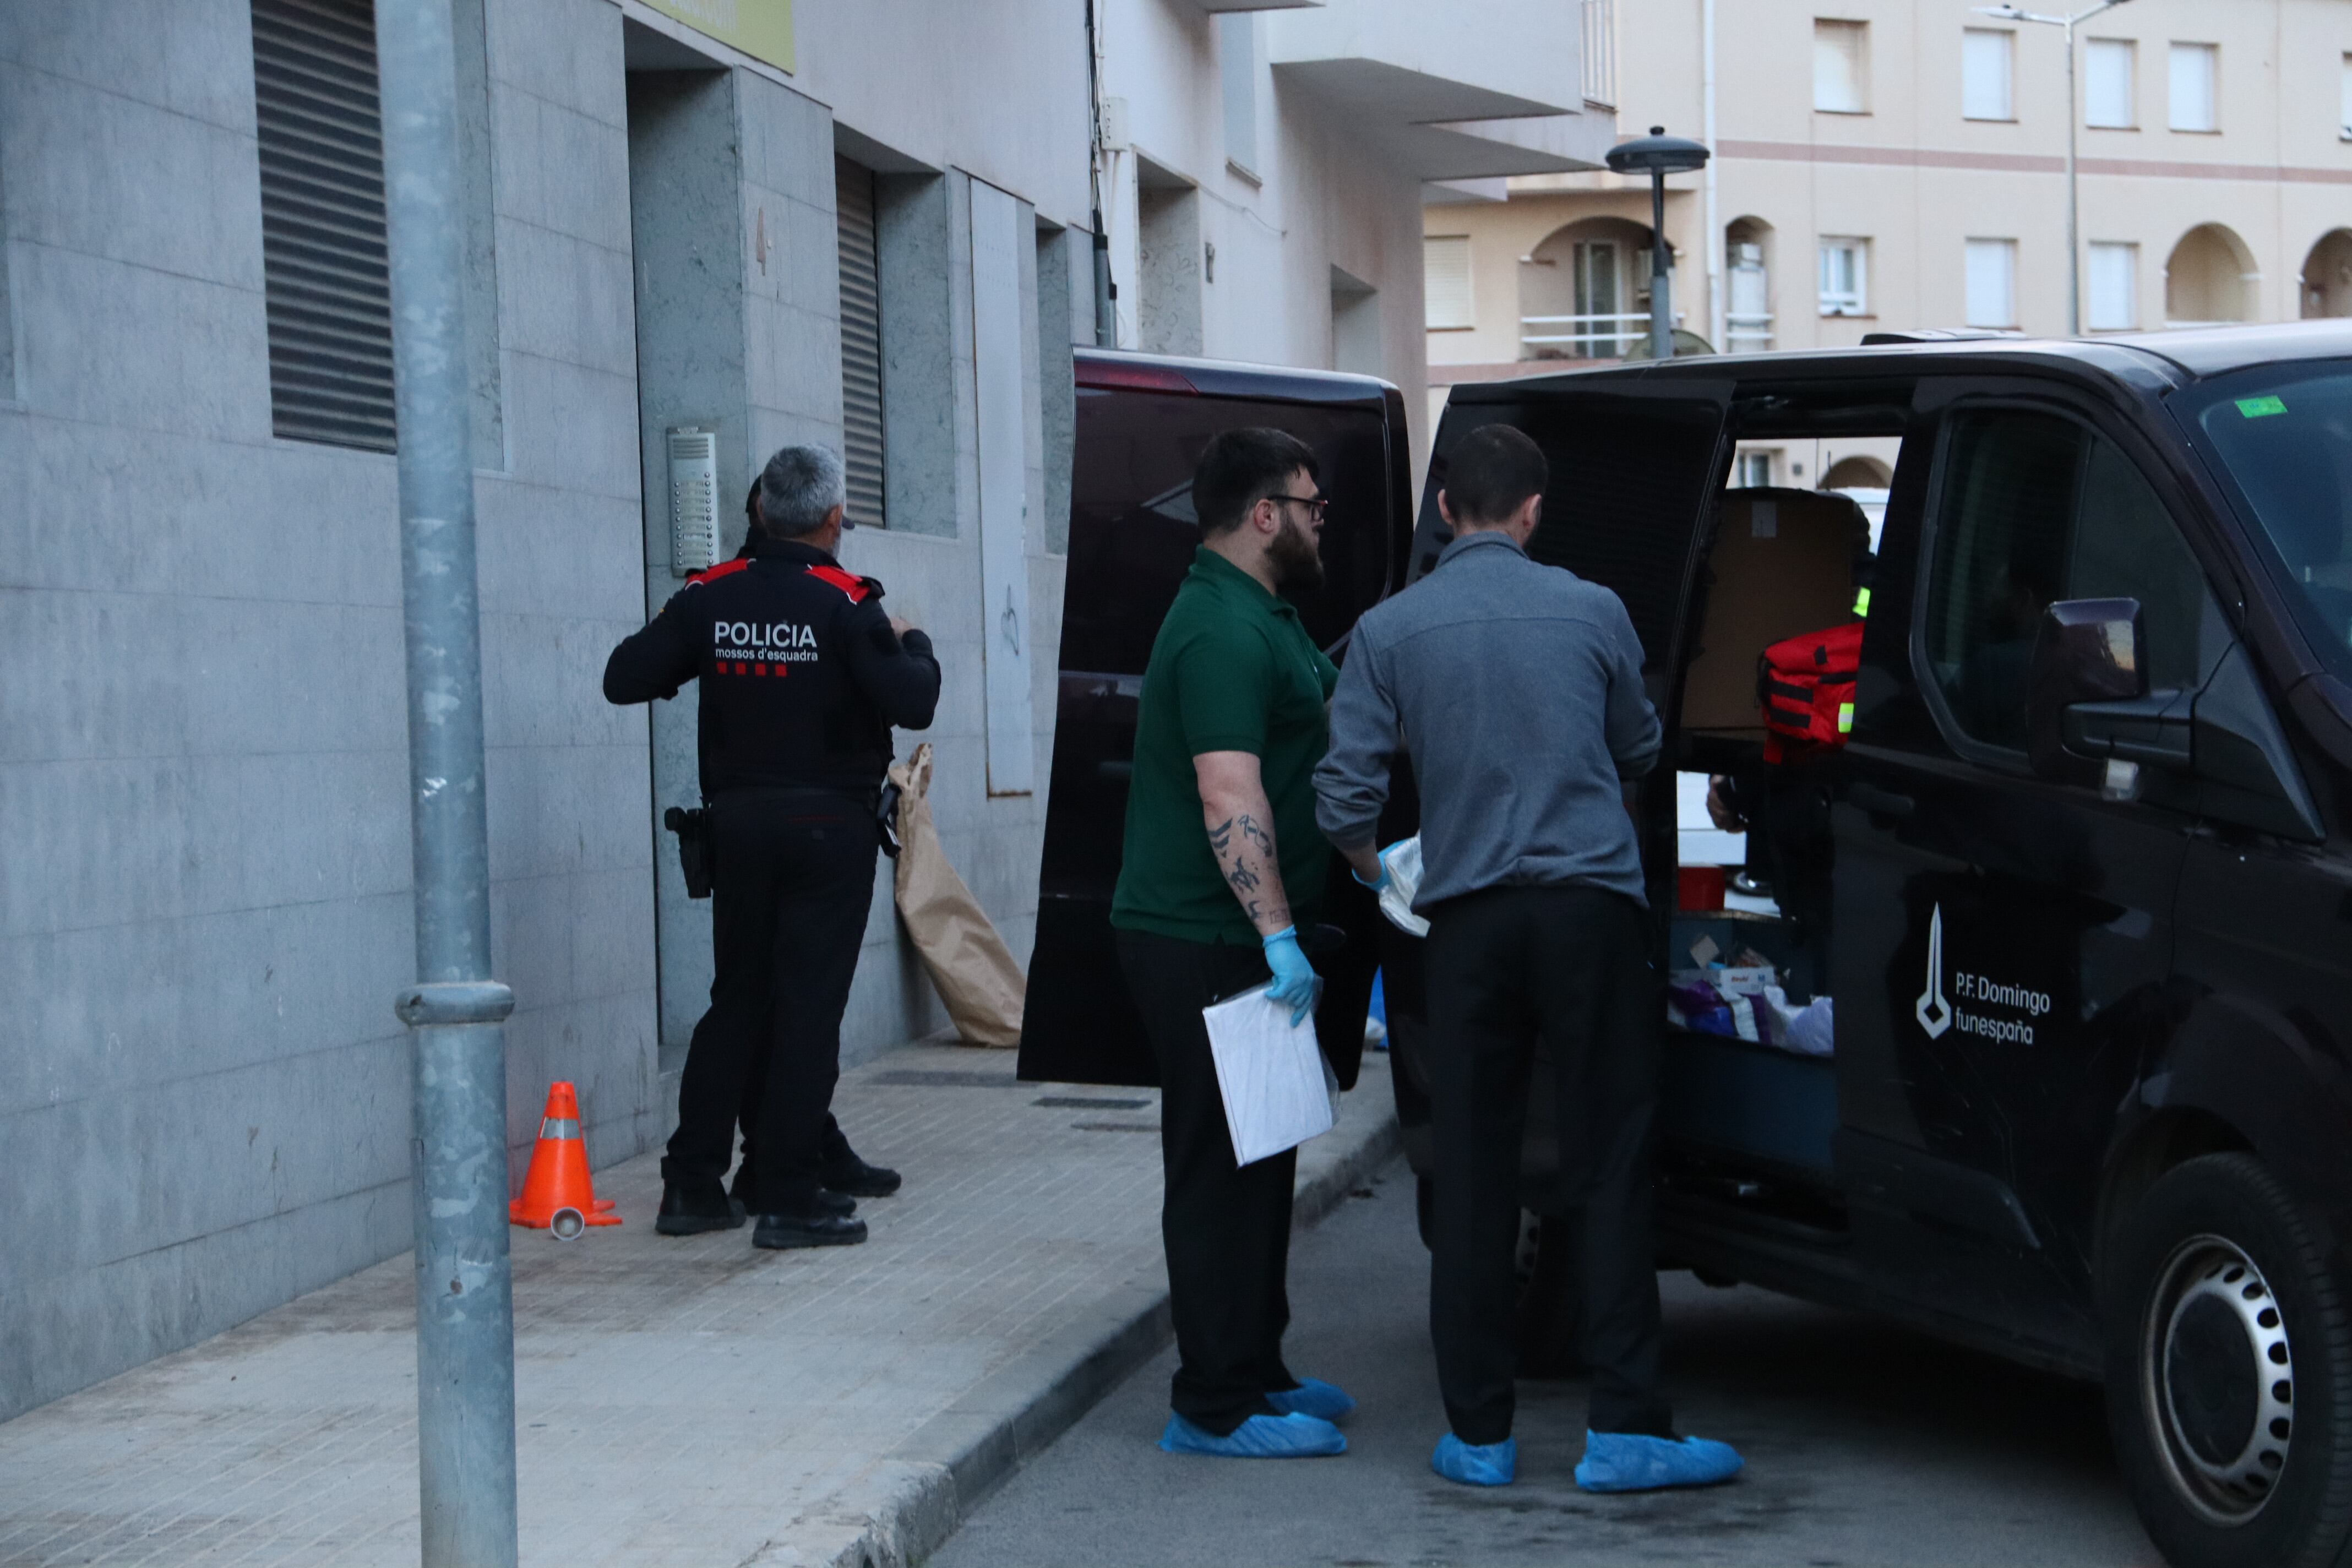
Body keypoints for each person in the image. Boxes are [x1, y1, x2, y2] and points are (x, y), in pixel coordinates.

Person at [1313, 423, 1743, 1493]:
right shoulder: (1593, 609)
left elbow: (1343, 796)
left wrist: (1384, 869)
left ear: (1448, 510)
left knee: (1473, 1172)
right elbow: (1641, 748)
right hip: (1589, 912)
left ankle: (1479, 1434)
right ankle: (1627, 1429)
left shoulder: (1389, 628)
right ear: (1533, 511)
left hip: (1465, 924)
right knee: (1607, 1162)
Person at [603, 444, 940, 1250]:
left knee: (739, 1002)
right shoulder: (850, 602)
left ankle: (693, 1184)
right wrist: (915, 637)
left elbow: (625, 676)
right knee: (807, 1012)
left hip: (740, 827)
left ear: (758, 511)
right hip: (829, 830)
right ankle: (789, 1194)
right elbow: (915, 701)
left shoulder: (708, 597)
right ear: (833, 521)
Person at [1109, 427, 1356, 1460]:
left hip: (1244, 938)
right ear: (1265, 515)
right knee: (1217, 1167)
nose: (1318, 523)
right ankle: (1210, 1404)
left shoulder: (1265, 612)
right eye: (1312, 507)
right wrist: (1279, 934)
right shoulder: (1217, 629)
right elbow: (1228, 790)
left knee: (1263, 1158)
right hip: (1205, 935)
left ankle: (1256, 1370)